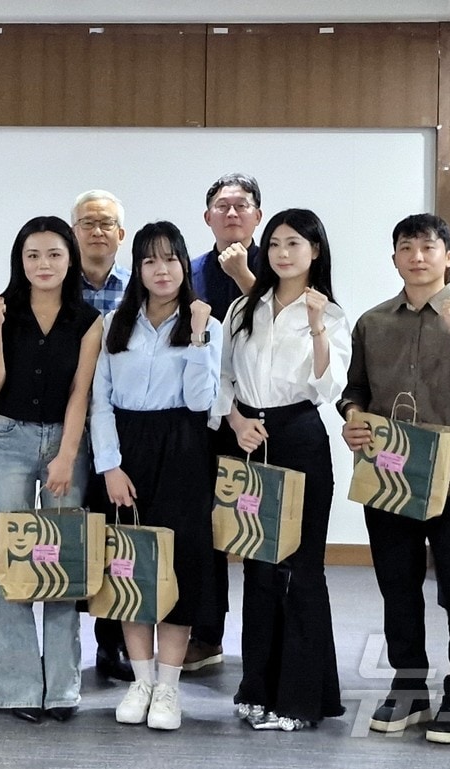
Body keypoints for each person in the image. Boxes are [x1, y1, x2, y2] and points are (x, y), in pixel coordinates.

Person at [338, 213, 450, 744]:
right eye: (406, 248)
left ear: (447, 257)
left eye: (428, 247)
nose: (417, 256)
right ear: (394, 259)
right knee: (397, 586)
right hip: (390, 475)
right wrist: (352, 421)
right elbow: (354, 389)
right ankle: (409, 688)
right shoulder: (373, 322)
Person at [212, 208, 349, 731]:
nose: (282, 253)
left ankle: (300, 698)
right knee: (257, 567)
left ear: (315, 250)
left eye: (294, 243)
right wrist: (235, 419)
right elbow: (220, 375)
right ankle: (258, 688)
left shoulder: (331, 313)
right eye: (274, 244)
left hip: (298, 437)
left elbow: (328, 385)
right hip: (248, 437)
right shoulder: (246, 306)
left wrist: (315, 326)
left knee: (301, 569)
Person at [91, 220, 221, 731]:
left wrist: (196, 337)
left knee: (180, 564)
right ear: (138, 270)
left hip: (184, 449)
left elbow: (201, 401)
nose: (161, 270)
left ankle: (168, 687)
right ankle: (140, 680)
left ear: (182, 264)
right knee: (131, 567)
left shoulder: (203, 322)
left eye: (170, 259)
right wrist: (110, 465)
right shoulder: (113, 326)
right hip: (127, 450)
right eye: (149, 261)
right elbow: (100, 401)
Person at [0, 216, 102, 724]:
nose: (43, 264)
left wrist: (67, 455)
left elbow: (81, 393)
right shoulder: (2, 311)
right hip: (8, 438)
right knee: (13, 563)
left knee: (61, 566)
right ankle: (18, 688)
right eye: (33, 255)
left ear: (69, 259)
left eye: (53, 254)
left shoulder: (88, 319)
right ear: (19, 261)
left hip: (65, 441)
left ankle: (62, 689)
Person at [185, 172, 264, 670]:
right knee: (204, 529)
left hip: (257, 421)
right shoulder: (189, 270)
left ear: (257, 214)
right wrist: (224, 412)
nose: (232, 213)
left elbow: (275, 334)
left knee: (256, 525)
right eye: (222, 205)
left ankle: (261, 639)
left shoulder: (278, 264)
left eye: (242, 205)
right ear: (207, 216)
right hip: (202, 420)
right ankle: (208, 633)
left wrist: (243, 277)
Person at [70, 189, 133, 681]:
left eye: (105, 223)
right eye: (87, 222)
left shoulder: (138, 291)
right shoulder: (54, 287)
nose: (96, 231)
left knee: (116, 535)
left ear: (121, 234)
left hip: (116, 435)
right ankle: (63, 644)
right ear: (74, 233)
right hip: (63, 434)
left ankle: (113, 643)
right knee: (68, 534)